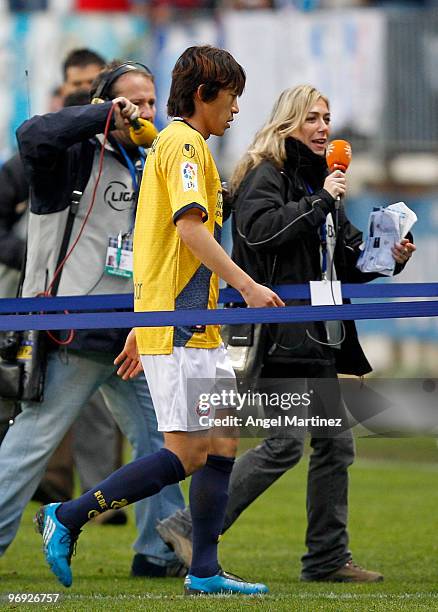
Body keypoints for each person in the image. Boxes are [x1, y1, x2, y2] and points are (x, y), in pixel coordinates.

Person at [33, 45, 284, 596]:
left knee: (221, 443)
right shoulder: (186, 144)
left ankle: (205, 572)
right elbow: (191, 230)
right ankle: (68, 515)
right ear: (203, 95)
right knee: (188, 452)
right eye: (232, 97)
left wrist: (143, 321)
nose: (237, 109)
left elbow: (162, 243)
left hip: (189, 323)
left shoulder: (174, 143)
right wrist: (247, 286)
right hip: (183, 327)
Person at [155, 84, 416, 582]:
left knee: (335, 445)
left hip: (322, 336)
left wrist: (389, 259)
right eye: (313, 119)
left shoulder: (324, 181)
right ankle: (189, 526)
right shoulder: (263, 173)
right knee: (283, 444)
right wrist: (320, 201)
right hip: (278, 333)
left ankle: (326, 557)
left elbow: (347, 259)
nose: (323, 129)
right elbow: (259, 232)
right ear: (287, 124)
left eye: (327, 119)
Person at [0, 60, 186, 579]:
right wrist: (101, 114)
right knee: (31, 444)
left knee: (160, 444)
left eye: (151, 102)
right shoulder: (71, 154)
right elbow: (30, 134)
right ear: (105, 102)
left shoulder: (157, 159)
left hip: (136, 333)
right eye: (132, 101)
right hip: (71, 329)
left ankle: (159, 550)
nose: (144, 111)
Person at [0, 48, 128, 526]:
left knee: (135, 428)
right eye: (78, 86)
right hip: (45, 307)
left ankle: (119, 520)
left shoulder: (131, 158)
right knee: (27, 415)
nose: (82, 92)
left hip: (116, 318)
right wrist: (25, 255)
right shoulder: (48, 155)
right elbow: (35, 135)